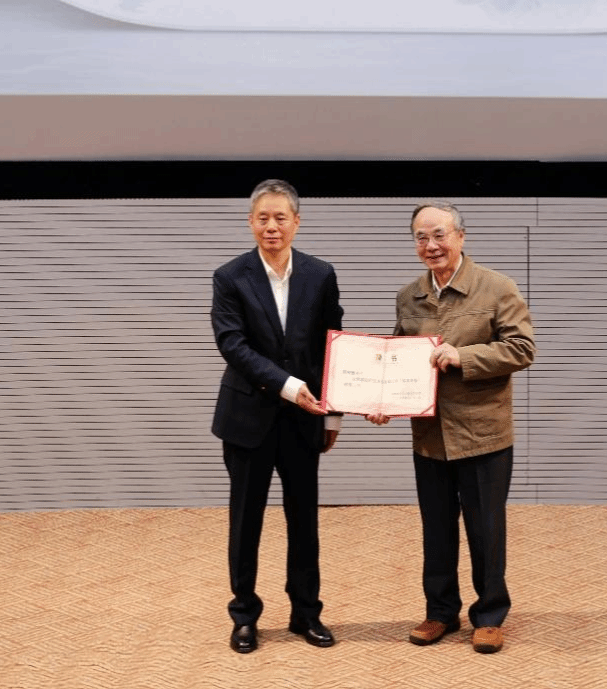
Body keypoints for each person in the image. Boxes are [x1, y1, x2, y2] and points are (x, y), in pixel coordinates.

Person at [367, 201, 535, 654]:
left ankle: (490, 615)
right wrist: (381, 400)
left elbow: (522, 348)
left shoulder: (497, 288)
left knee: (486, 530)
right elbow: (397, 358)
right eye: (421, 237)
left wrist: (465, 356)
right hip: (430, 436)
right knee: (436, 529)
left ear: (461, 236)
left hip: (483, 434)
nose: (431, 245)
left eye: (439, 234)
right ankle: (440, 611)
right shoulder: (409, 296)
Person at [210, 179, 344, 654]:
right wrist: (288, 386)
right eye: (263, 218)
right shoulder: (230, 276)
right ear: (251, 222)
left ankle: (306, 613)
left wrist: (333, 413)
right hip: (247, 419)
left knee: (304, 521)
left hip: (305, 420)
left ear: (296, 223)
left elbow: (333, 345)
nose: (272, 226)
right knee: (245, 520)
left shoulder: (320, 274)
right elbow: (232, 344)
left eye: (280, 217)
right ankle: (244, 615)